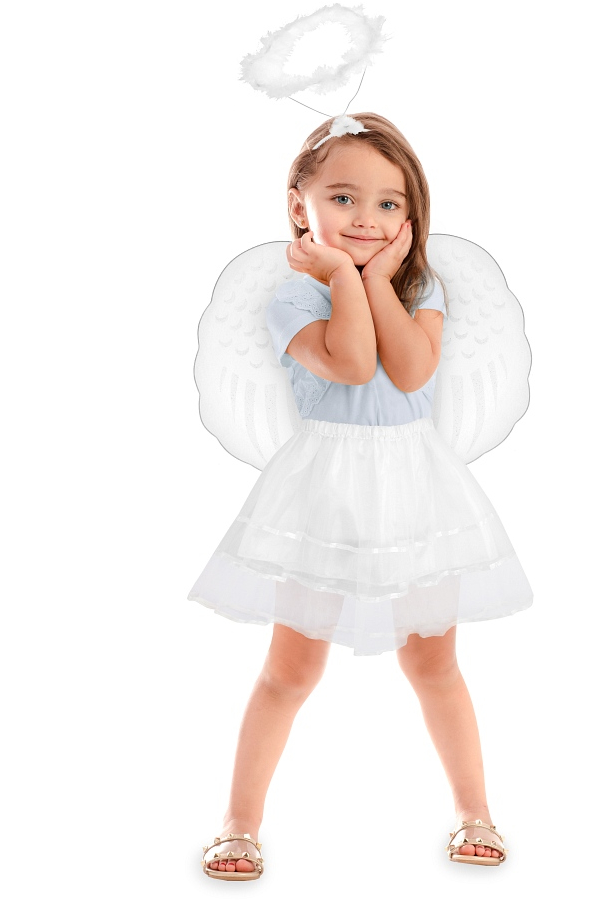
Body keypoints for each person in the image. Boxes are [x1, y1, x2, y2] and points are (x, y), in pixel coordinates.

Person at [190, 112, 533, 879]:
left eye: (388, 203)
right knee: (291, 669)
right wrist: (345, 278)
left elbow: (408, 371)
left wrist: (377, 281)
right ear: (299, 206)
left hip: (415, 489)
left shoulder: (423, 289)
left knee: (435, 663)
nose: (366, 219)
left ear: (411, 216)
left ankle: (474, 808)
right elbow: (348, 364)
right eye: (343, 198)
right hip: (325, 491)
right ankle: (239, 822)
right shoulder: (293, 300)